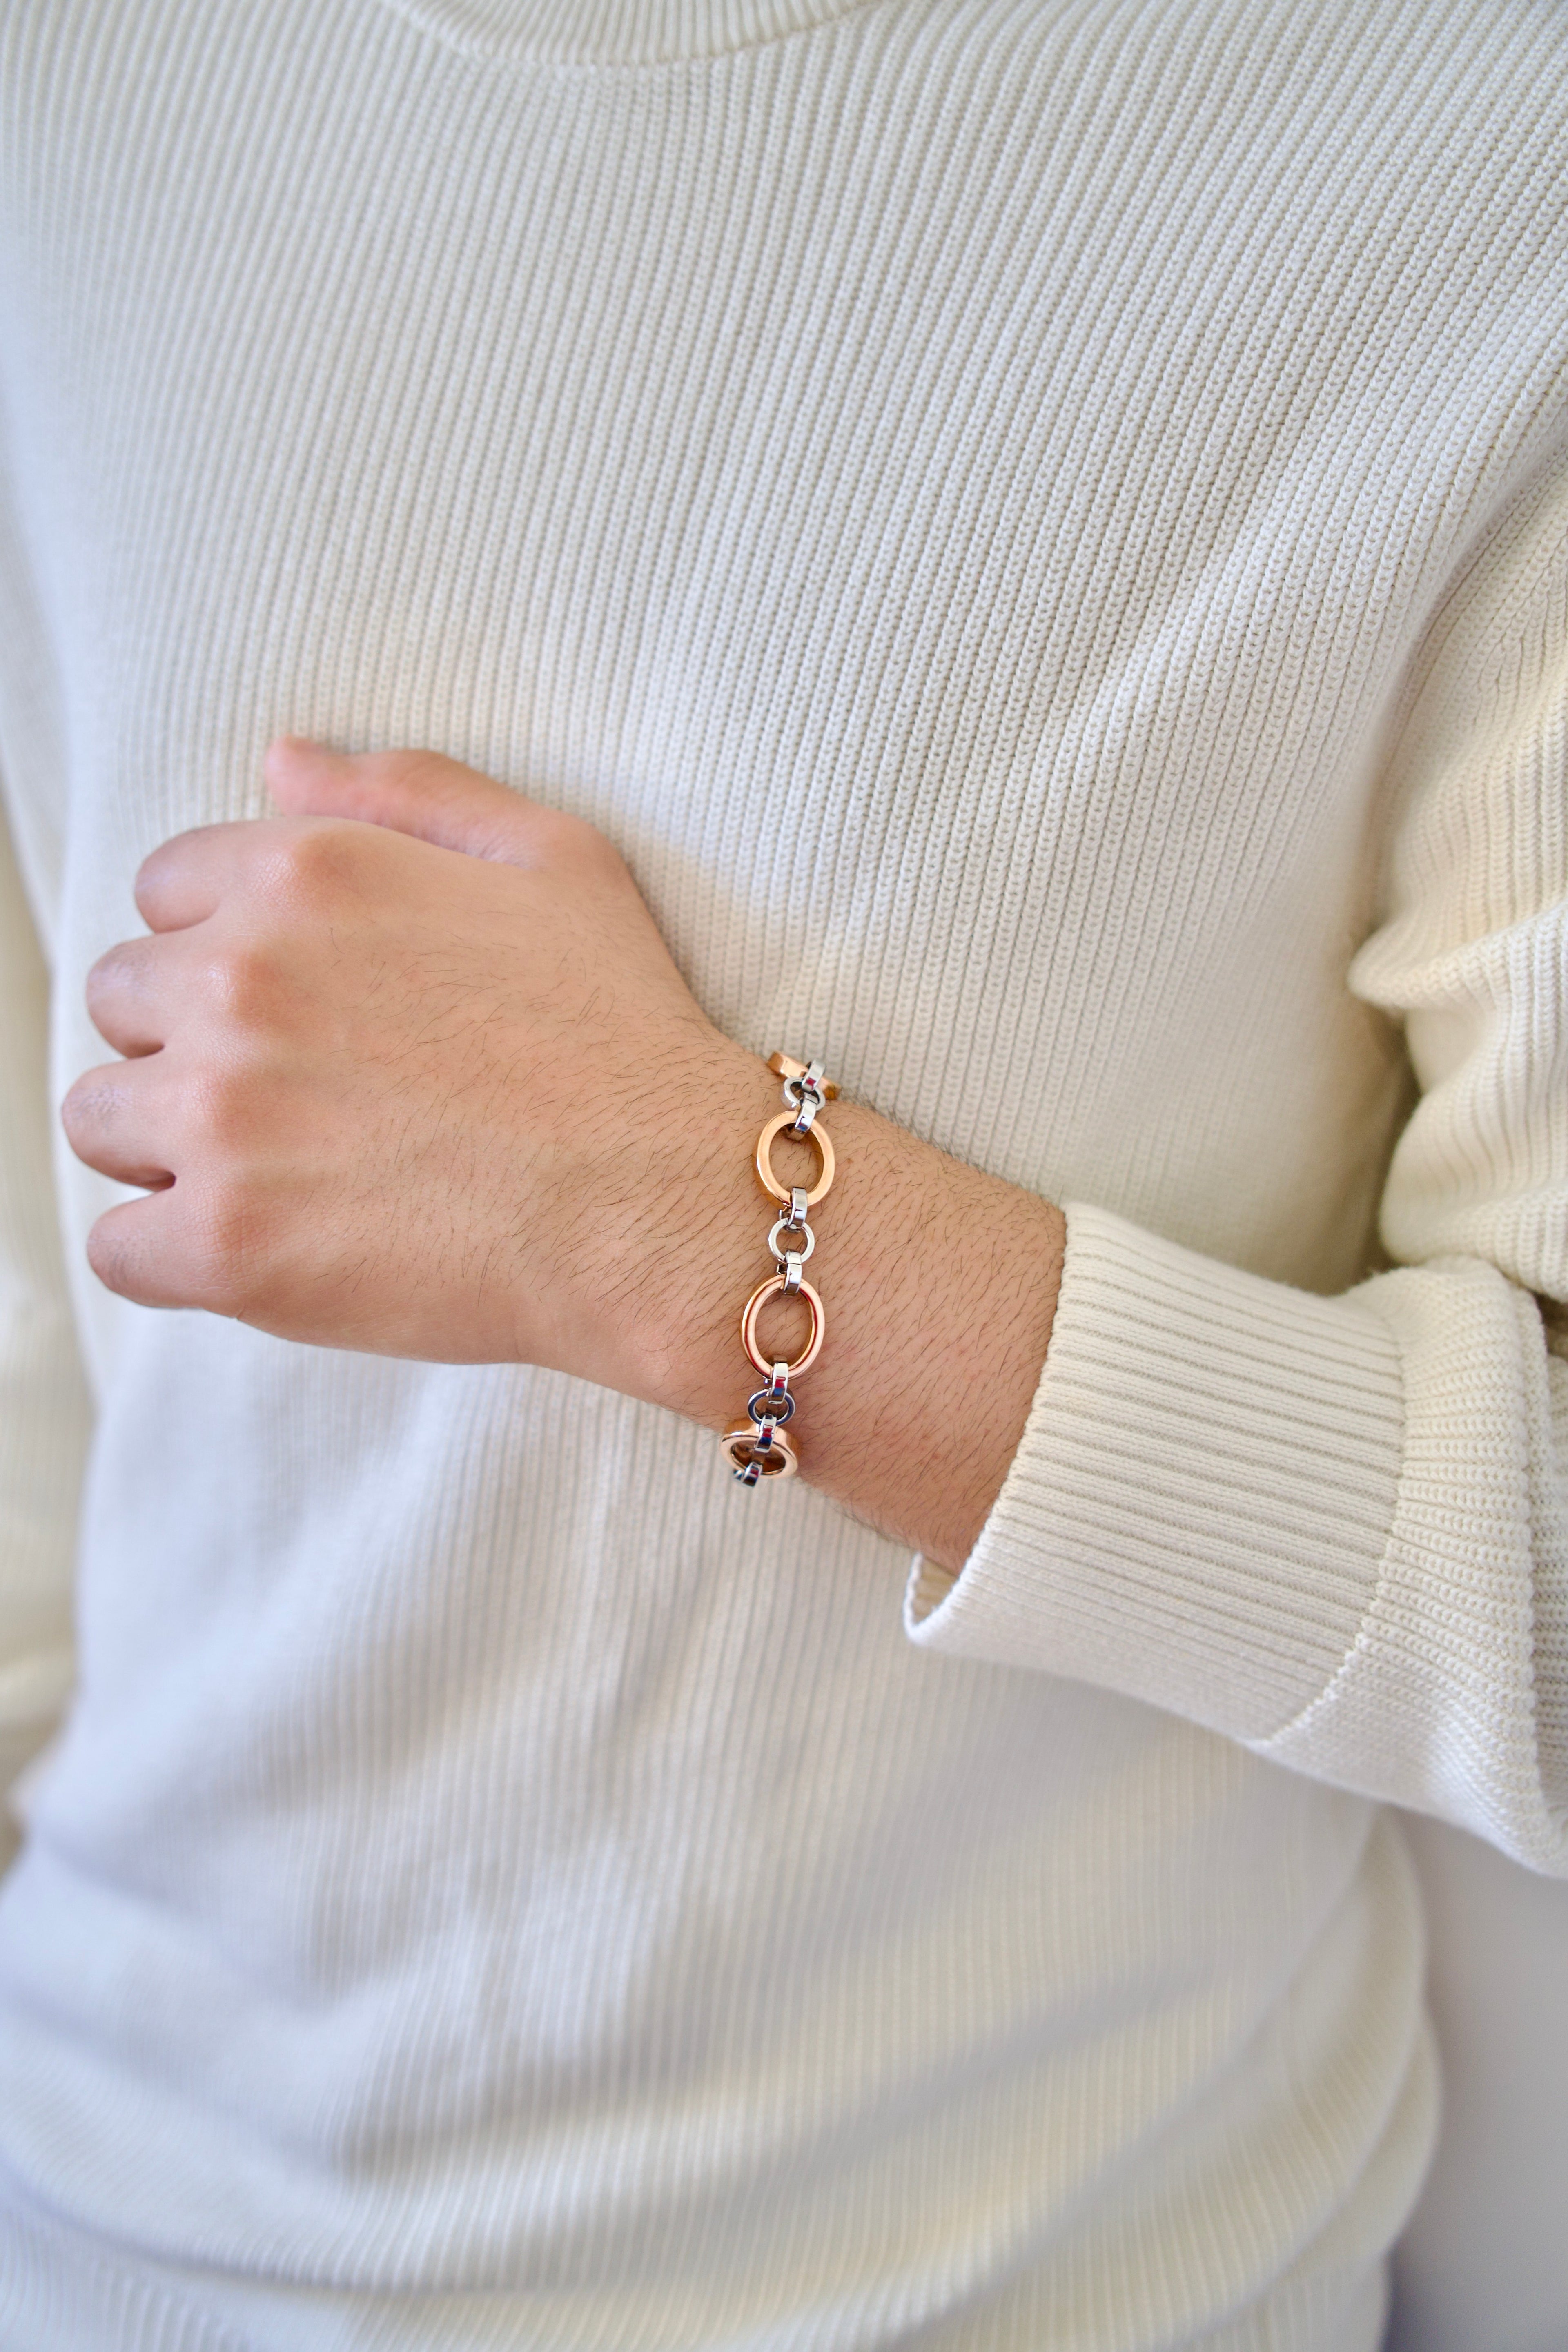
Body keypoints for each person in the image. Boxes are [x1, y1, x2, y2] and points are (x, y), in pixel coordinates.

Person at [0, 0, 1564, 2343]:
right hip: (102, 2228)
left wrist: (691, 1220)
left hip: (1067, 2288)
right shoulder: (75, 82)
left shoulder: (1479, 135)